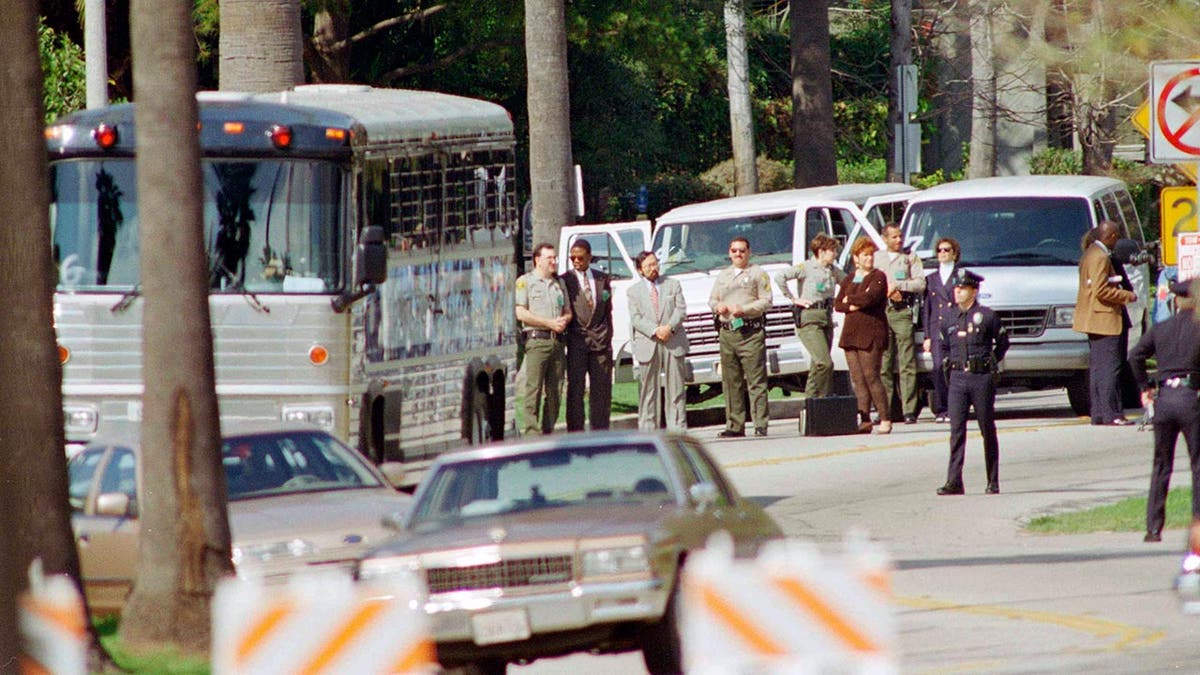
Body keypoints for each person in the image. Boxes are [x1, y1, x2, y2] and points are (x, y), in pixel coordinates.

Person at [1128, 279, 1200, 543]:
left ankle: (1153, 527)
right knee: (1198, 464)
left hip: (1164, 400)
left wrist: (1145, 386)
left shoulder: (1162, 328)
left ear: (1176, 301)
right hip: (1191, 397)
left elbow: (1135, 356)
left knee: (1161, 464)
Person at [936, 269, 1010, 495]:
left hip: (981, 378)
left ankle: (992, 479)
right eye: (956, 288)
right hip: (958, 379)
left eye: (963, 288)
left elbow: (1003, 342)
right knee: (956, 431)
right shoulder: (948, 318)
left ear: (974, 291)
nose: (957, 292)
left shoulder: (987, 316)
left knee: (987, 428)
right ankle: (954, 481)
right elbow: (944, 346)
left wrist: (990, 363)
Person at [1073, 220, 1137, 426]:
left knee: (1099, 368)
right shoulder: (1100, 257)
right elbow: (1101, 290)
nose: (1117, 240)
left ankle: (1099, 412)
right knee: (1111, 367)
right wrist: (1126, 295)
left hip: (1095, 319)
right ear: (1108, 236)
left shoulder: (1090, 253)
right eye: (1116, 236)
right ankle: (1113, 413)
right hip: (1106, 318)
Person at [709, 236, 773, 437]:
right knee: (730, 381)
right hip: (727, 333)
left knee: (756, 381)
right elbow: (712, 299)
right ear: (729, 253)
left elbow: (767, 301)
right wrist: (717, 306)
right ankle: (734, 425)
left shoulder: (758, 274)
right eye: (734, 251)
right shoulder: (723, 276)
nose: (738, 254)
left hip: (750, 332)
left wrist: (744, 309)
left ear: (749, 252)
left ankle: (760, 423)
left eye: (742, 250)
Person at [774, 233, 846, 398]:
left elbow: (848, 282)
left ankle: (811, 400)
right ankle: (824, 397)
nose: (835, 254)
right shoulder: (806, 267)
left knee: (817, 364)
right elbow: (780, 277)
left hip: (826, 317)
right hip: (810, 318)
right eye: (832, 251)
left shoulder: (833, 270)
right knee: (825, 363)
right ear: (821, 251)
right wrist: (793, 298)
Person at [835, 236, 892, 435]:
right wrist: (851, 302)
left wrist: (850, 300)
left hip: (871, 332)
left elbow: (871, 297)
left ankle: (885, 417)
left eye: (871, 255)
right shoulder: (850, 278)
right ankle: (864, 418)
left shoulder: (878, 276)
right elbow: (838, 304)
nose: (869, 259)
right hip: (851, 334)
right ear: (856, 257)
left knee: (871, 376)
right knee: (857, 379)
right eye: (865, 255)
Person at [628, 251, 690, 431]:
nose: (654, 268)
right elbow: (636, 318)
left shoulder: (673, 285)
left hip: (673, 340)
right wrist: (655, 331)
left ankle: (677, 429)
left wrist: (669, 328)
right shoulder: (633, 292)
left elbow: (681, 310)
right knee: (649, 391)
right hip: (649, 343)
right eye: (649, 266)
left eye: (655, 264)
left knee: (676, 389)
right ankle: (648, 431)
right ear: (640, 270)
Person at [515, 243, 571, 435]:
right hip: (537, 341)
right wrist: (548, 323)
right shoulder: (525, 282)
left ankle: (548, 432)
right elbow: (521, 312)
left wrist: (564, 320)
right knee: (534, 389)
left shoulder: (559, 284)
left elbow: (568, 311)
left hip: (557, 341)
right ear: (538, 260)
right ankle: (531, 433)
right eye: (550, 258)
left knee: (555, 390)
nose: (554, 261)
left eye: (554, 258)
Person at [560, 240, 614, 432]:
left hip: (601, 343)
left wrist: (608, 337)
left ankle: (601, 432)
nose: (576, 261)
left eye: (580, 257)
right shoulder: (565, 280)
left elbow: (607, 309)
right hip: (577, 343)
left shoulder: (602, 278)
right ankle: (576, 432)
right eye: (572, 257)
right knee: (576, 390)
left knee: (601, 391)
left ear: (589, 257)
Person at [875, 223, 926, 424]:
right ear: (885, 238)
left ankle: (909, 409)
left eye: (900, 236)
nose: (898, 240)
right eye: (894, 237)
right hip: (881, 311)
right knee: (884, 363)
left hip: (902, 310)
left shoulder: (909, 257)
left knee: (907, 361)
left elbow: (920, 283)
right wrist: (884, 289)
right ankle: (885, 409)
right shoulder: (877, 257)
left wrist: (900, 285)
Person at [922, 237, 962, 423]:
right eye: (939, 250)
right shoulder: (931, 279)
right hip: (937, 327)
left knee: (955, 369)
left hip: (956, 326)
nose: (943, 253)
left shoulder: (961, 276)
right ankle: (941, 408)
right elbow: (927, 308)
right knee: (938, 368)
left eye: (947, 250)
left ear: (954, 253)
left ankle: (956, 407)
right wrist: (927, 335)